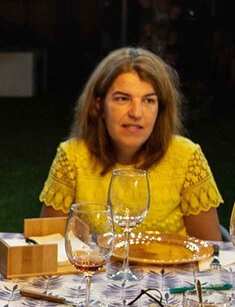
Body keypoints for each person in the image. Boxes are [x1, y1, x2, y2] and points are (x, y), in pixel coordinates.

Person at [39, 46, 223, 241]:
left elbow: (211, 251)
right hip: (97, 270)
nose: (136, 113)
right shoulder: (72, 156)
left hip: (173, 271)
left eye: (148, 101)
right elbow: (46, 245)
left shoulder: (187, 157)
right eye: (123, 99)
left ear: (160, 109)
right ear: (98, 106)